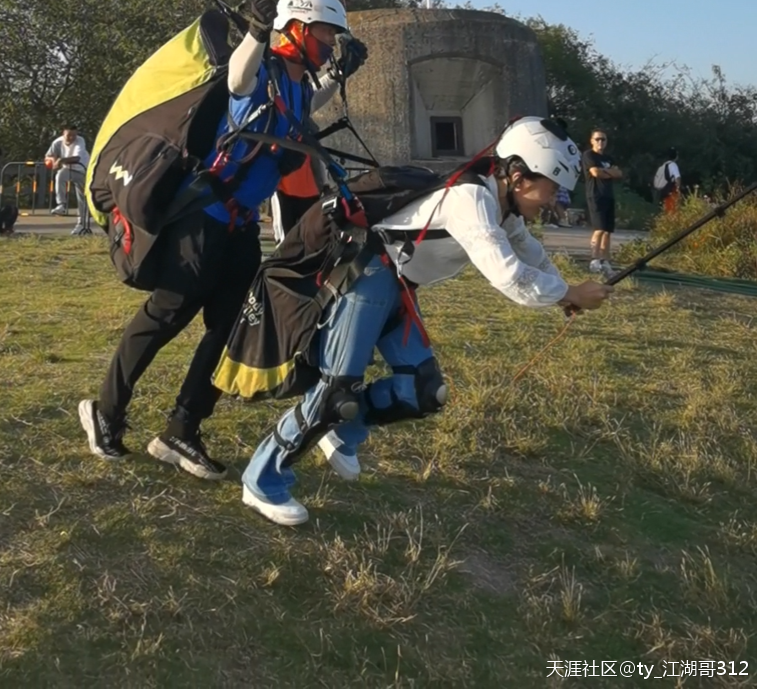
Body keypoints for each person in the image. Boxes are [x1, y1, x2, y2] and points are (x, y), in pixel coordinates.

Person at [240, 117, 611, 527]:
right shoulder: (470, 199)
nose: (555, 198)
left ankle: (343, 429)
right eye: (553, 188)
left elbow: (529, 254)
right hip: (367, 275)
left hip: (398, 286)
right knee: (335, 394)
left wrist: (565, 291)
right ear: (520, 177)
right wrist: (569, 293)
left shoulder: (505, 205)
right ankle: (262, 479)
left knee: (423, 391)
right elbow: (509, 275)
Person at [78, 0, 367, 479]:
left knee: (231, 329)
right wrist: (257, 33)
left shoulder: (295, 85)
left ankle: (182, 430)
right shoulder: (259, 75)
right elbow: (238, 79)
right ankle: (105, 410)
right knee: (167, 315)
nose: (329, 43)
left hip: (239, 230)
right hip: (202, 219)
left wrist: (338, 73)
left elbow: (302, 107)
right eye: (324, 34)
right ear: (295, 30)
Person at [581, 128, 622, 271]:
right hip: (595, 194)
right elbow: (595, 172)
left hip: (608, 195)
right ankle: (595, 258)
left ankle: (605, 260)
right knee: (599, 228)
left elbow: (618, 173)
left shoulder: (608, 158)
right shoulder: (589, 155)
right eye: (597, 139)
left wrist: (606, 172)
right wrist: (608, 172)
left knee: (607, 230)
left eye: (603, 139)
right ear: (592, 141)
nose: (600, 142)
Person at [45, 126, 91, 236]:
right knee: (60, 175)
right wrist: (53, 161)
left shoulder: (80, 141)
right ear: (63, 134)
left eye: (74, 135)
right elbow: (48, 156)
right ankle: (61, 205)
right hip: (68, 169)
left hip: (82, 170)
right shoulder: (57, 142)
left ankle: (81, 225)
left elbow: (77, 158)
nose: (71, 138)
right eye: (69, 135)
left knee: (82, 199)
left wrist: (60, 160)